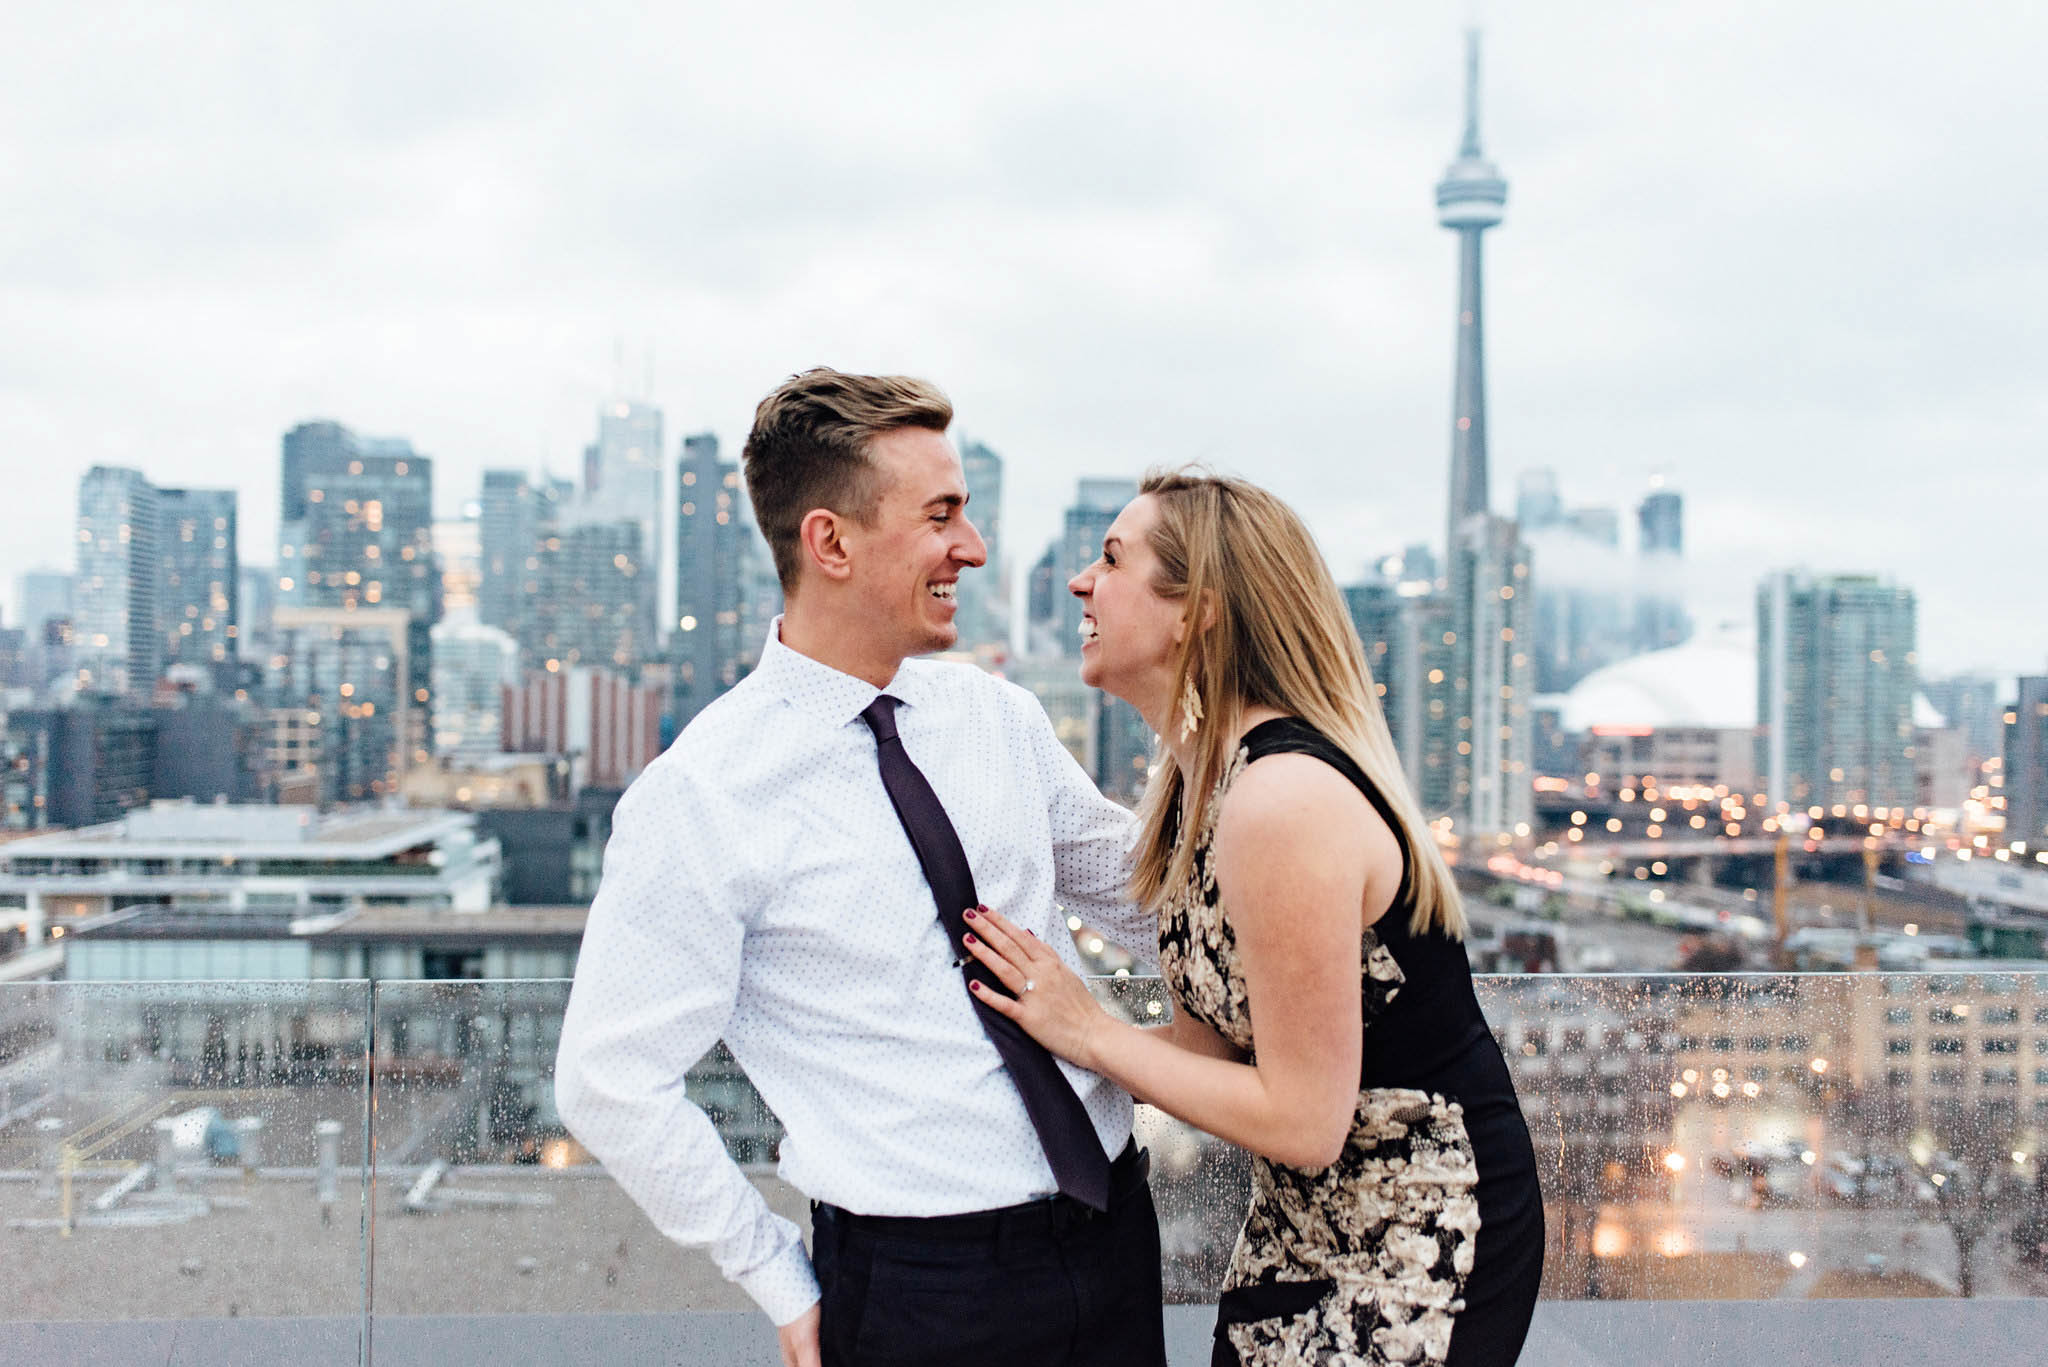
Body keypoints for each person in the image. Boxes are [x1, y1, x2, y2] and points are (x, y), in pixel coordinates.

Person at [553, 369, 1169, 1367]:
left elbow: (1156, 911)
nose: (970, 547)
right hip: (919, 1289)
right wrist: (782, 1283)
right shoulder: (703, 795)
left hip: (1111, 1229)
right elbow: (606, 1079)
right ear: (830, 542)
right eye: (941, 515)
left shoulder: (996, 719)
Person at [962, 470, 1544, 1366]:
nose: (1081, 582)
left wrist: (1089, 1033)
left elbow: (1305, 1118)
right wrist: (1035, 1050)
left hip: (1423, 1228)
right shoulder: (1198, 786)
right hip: (1303, 1218)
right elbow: (1210, 1050)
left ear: (1194, 611)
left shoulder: (1281, 798)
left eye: (1111, 559)